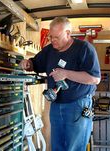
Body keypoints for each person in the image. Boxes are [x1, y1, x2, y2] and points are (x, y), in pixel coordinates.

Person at [20, 17, 101, 151]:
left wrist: (66, 73)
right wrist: (28, 64)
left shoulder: (84, 48)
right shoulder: (49, 50)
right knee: (57, 147)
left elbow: (94, 78)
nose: (52, 40)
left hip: (78, 106)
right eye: (51, 37)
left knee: (74, 147)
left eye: (56, 37)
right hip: (56, 105)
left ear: (68, 33)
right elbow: (35, 64)